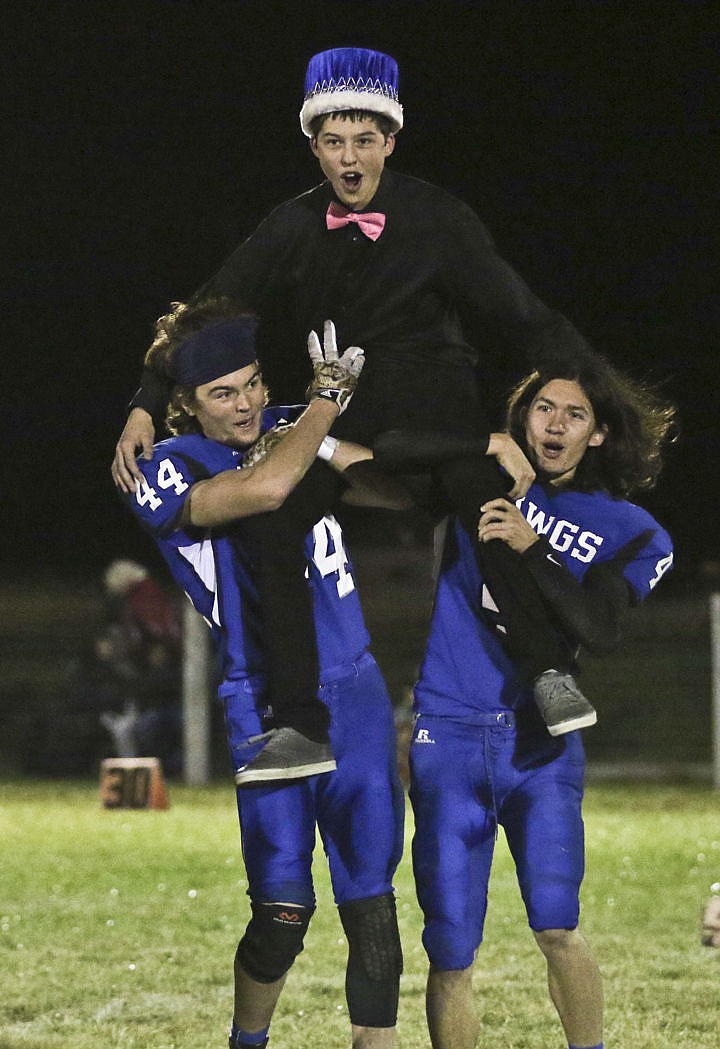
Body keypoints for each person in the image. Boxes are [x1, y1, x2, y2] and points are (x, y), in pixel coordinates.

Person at [113, 46, 605, 739]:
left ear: (391, 142)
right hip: (347, 427)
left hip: (440, 428)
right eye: (334, 141)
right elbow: (204, 309)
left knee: (483, 496)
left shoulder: (441, 219)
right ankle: (297, 719)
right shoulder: (291, 225)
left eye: (365, 141)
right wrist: (143, 399)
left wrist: (592, 403)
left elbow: (527, 320)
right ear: (313, 146)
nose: (350, 158)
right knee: (275, 518)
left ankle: (549, 673)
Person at [122, 306, 407, 1048]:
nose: (247, 403)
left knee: (372, 906)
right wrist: (323, 408)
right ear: (187, 404)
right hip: (262, 698)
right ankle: (247, 1039)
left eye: (252, 384)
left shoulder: (293, 420)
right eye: (223, 393)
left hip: (358, 689)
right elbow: (267, 490)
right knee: (282, 912)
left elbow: (389, 489)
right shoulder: (167, 463)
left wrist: (342, 441)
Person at [409, 351, 675, 1049]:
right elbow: (392, 443)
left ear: (599, 434)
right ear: (521, 418)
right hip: (449, 730)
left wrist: (534, 549)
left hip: (542, 743)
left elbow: (601, 627)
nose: (555, 423)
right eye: (543, 407)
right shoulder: (472, 480)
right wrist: (479, 443)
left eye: (575, 413)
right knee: (449, 946)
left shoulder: (631, 528)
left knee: (558, 923)